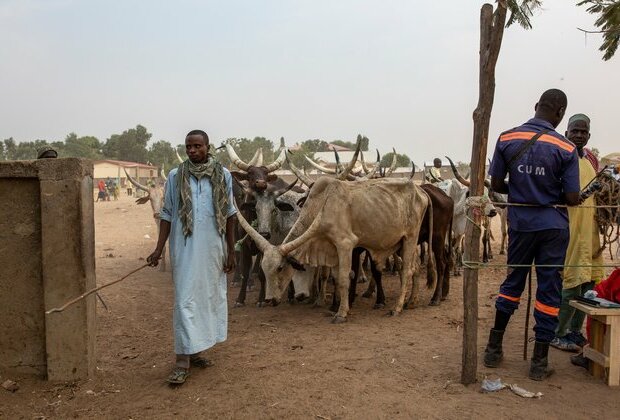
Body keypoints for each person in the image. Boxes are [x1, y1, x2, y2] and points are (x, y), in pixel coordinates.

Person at [484, 89, 580, 381]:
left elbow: (496, 184)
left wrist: (522, 188)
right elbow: (573, 197)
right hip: (553, 227)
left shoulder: (506, 138)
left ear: (536, 106)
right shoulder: (566, 148)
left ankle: (493, 349)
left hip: (521, 224)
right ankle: (539, 363)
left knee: (513, 282)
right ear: (561, 113)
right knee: (549, 290)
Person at [147, 129, 237, 385]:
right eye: (188, 147)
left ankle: (196, 351)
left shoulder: (224, 175)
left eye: (197, 146)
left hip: (213, 249)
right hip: (184, 248)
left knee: (207, 299)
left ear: (208, 147)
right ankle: (181, 361)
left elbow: (230, 214)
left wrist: (231, 251)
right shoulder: (176, 176)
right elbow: (166, 214)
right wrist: (158, 249)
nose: (192, 151)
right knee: (185, 299)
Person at [551, 114, 605, 352]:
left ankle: (574, 330)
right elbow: (557, 194)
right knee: (571, 280)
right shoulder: (561, 157)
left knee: (589, 280)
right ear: (566, 133)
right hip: (570, 226)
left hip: (590, 228)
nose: (579, 135)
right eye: (575, 131)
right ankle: (558, 333)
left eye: (583, 132)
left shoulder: (591, 160)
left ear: (589, 135)